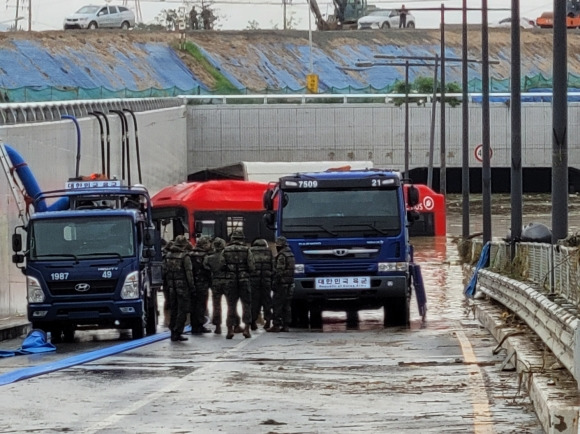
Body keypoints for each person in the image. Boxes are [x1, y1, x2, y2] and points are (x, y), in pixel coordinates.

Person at [221, 229, 255, 339]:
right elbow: (251, 266)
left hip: (230, 280)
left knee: (231, 305)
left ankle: (230, 330)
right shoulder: (247, 250)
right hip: (244, 280)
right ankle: (246, 329)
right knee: (246, 304)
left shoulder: (225, 250)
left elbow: (221, 266)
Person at [163, 235, 195, 342]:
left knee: (174, 309)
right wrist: (192, 287)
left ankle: (172, 331)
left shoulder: (168, 255)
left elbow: (164, 271)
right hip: (183, 287)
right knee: (182, 310)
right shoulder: (184, 256)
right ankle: (178, 331)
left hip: (171, 287)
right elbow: (189, 273)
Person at [267, 236, 295, 333]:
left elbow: (279, 270)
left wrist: (274, 281)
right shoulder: (290, 254)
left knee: (277, 304)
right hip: (290, 283)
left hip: (281, 284)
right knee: (287, 305)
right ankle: (286, 325)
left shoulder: (282, 255)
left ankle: (276, 325)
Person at [203, 237, 229, 334]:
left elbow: (205, 267)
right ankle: (232, 325)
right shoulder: (227, 257)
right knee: (231, 304)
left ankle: (218, 326)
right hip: (227, 282)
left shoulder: (209, 258)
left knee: (216, 305)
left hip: (215, 282)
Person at [189, 236, 213, 334]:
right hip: (202, 284)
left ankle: (194, 325)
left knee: (193, 305)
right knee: (201, 305)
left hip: (191, 283)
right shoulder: (206, 256)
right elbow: (208, 271)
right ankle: (199, 326)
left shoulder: (190, 255)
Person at [249, 239, 274, 330]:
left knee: (254, 301)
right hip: (266, 280)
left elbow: (249, 265)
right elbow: (273, 266)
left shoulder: (250, 251)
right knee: (267, 300)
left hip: (254, 280)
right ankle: (268, 321)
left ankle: (253, 322)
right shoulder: (269, 252)